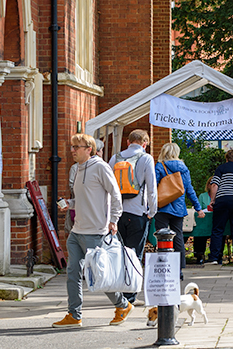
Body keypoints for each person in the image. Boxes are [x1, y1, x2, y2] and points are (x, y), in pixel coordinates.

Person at [53, 134, 132, 328]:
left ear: (89, 149)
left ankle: (123, 305)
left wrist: (114, 220)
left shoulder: (100, 167)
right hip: (77, 230)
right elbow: (83, 199)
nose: (72, 150)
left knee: (99, 275)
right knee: (72, 273)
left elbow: (115, 194)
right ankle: (74, 314)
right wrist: (70, 204)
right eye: (72, 146)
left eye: (76, 147)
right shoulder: (78, 169)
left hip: (96, 231)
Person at [108, 129, 157, 304]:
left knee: (120, 254)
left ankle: (119, 291)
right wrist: (152, 211)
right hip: (138, 213)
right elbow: (152, 188)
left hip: (118, 213)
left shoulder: (115, 158)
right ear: (144, 144)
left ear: (128, 142)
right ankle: (130, 295)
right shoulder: (146, 158)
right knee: (134, 254)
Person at [154, 142, 205, 279]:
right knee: (178, 238)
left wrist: (149, 207)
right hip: (178, 209)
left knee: (162, 238)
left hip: (162, 207)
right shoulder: (183, 168)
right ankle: (179, 270)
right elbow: (189, 190)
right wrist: (198, 208)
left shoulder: (160, 166)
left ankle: (164, 267)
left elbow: (153, 188)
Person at [67, 139, 104, 232]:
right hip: (79, 210)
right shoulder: (76, 167)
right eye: (101, 150)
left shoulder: (101, 166)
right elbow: (72, 186)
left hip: (94, 216)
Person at [192, 178, 217, 265]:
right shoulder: (202, 196)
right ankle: (199, 255)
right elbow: (198, 208)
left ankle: (217, 255)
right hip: (204, 221)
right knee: (199, 233)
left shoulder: (221, 196)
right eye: (211, 183)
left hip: (216, 221)